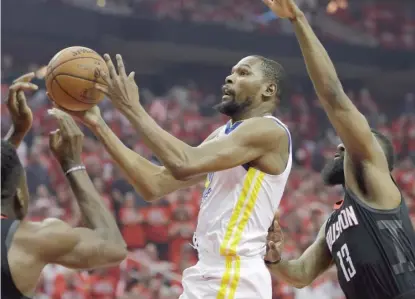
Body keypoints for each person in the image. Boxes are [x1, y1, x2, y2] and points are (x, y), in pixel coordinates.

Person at [55, 54, 292, 297]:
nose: (230, 78)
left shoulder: (268, 129)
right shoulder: (224, 135)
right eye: (231, 72)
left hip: (233, 276)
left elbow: (183, 162)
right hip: (211, 274)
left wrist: (130, 106)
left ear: (268, 89)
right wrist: (98, 124)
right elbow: (155, 184)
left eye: (243, 73)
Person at [262, 1, 415, 299]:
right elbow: (302, 275)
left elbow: (333, 95)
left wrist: (298, 19)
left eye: (351, 142)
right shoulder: (335, 221)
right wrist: (275, 259)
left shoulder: (374, 182)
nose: (341, 144)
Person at [1, 73, 127, 299]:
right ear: (19, 195)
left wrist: (16, 134)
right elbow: (112, 246)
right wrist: (73, 164)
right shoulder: (28, 240)